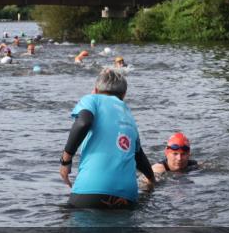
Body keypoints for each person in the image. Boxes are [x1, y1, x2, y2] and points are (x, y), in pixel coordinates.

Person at [59, 67, 156, 208]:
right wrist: (151, 180)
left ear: (96, 90)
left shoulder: (92, 99)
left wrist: (65, 161)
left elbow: (83, 122)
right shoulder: (128, 115)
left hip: (91, 190)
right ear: (124, 95)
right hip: (127, 195)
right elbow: (138, 155)